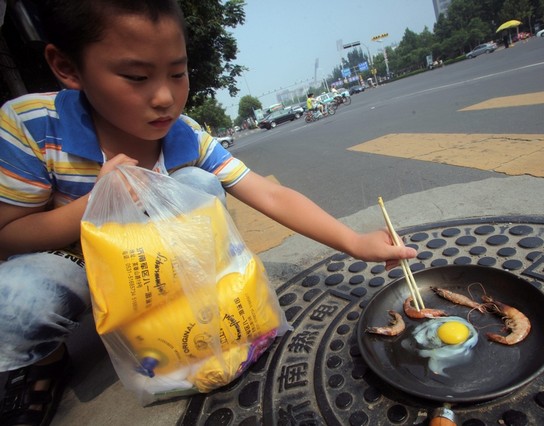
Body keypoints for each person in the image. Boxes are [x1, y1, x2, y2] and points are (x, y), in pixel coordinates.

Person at [0, 1, 416, 425]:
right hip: (76, 265)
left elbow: (270, 196)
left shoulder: (186, 136)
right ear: (68, 67)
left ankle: (193, 318)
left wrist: (355, 242)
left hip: (156, 278)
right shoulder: (34, 125)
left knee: (199, 184)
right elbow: (8, 233)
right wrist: (96, 204)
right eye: (137, 77)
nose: (165, 97)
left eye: (177, 73)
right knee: (19, 299)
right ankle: (47, 360)